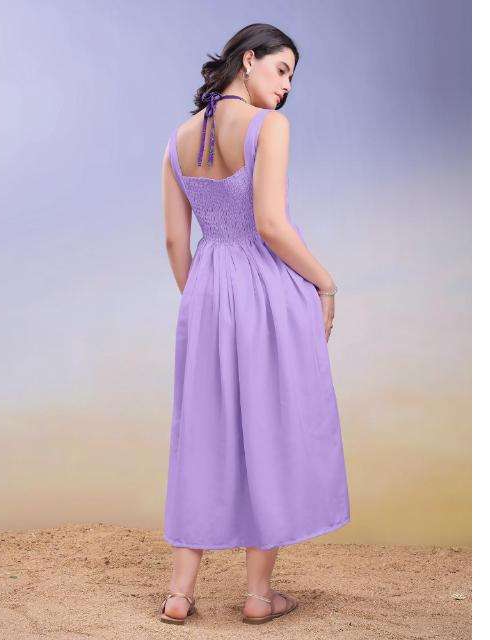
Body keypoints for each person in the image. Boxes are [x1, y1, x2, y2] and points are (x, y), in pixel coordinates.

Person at [159, 23, 350, 625]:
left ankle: (180, 593)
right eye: (282, 69)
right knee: (269, 427)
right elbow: (270, 225)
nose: (287, 86)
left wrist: (202, 298)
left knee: (202, 430)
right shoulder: (269, 127)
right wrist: (324, 281)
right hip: (267, 290)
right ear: (249, 61)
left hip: (207, 291)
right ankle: (258, 596)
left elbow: (175, 240)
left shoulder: (178, 139)